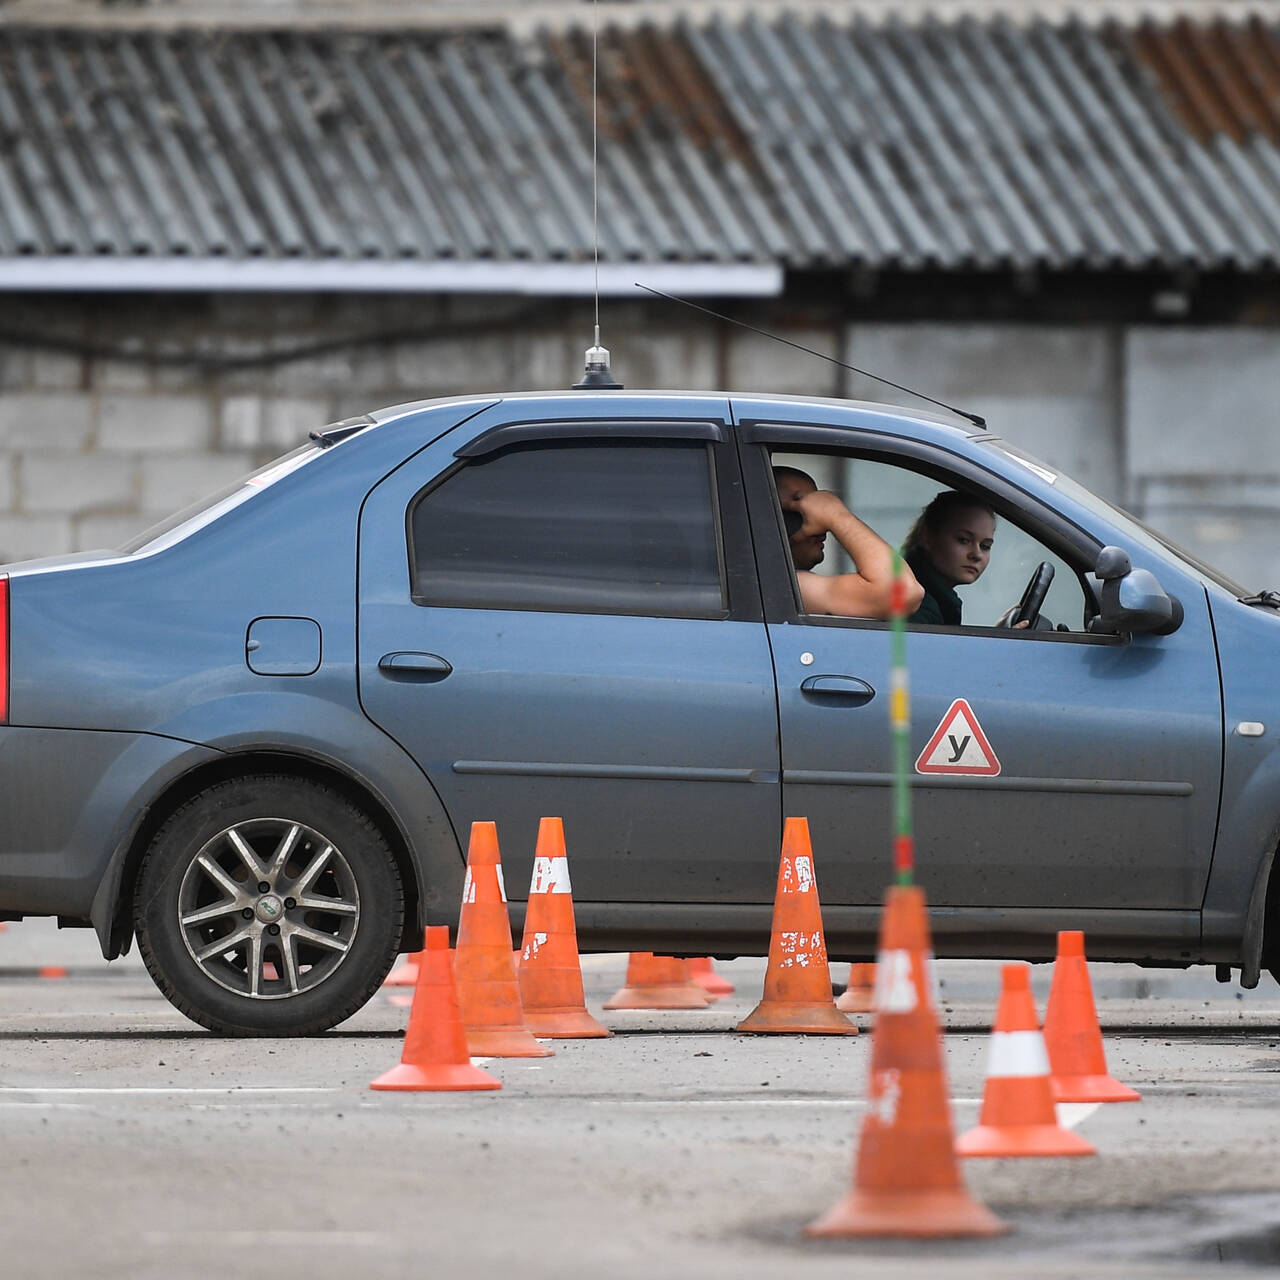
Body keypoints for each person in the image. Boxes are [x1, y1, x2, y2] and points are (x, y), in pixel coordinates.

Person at [774, 466, 923, 618]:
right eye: (801, 504)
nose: (820, 524)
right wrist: (835, 515)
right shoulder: (776, 587)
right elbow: (902, 593)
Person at [902, 490, 1000, 626]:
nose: (976, 555)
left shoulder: (933, 598)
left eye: (985, 546)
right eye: (964, 540)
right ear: (928, 537)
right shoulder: (917, 604)